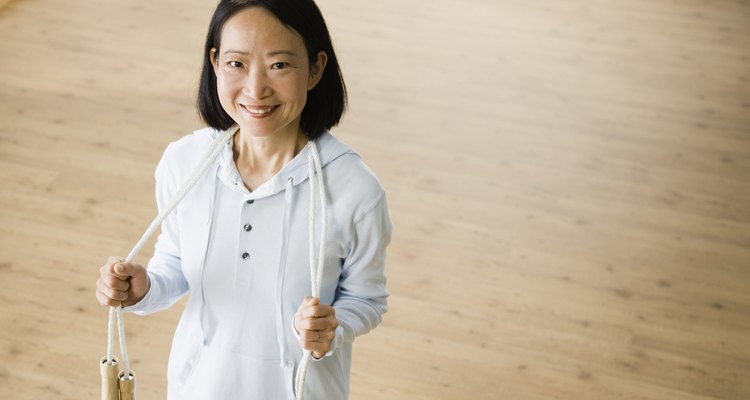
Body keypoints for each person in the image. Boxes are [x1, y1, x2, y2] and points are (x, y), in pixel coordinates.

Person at [94, 0, 392, 398]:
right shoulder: (184, 163)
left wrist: (334, 326)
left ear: (316, 69)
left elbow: (366, 298)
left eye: (279, 65)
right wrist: (144, 289)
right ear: (215, 63)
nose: (256, 88)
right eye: (237, 63)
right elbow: (177, 263)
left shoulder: (354, 188)